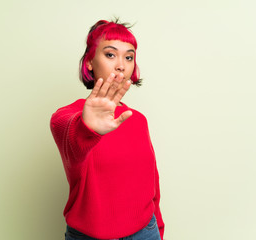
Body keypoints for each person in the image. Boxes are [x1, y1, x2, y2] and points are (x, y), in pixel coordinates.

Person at [50, 19, 165, 240]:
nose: (121, 65)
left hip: (145, 232)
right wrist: (87, 128)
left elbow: (152, 185)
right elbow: (70, 135)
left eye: (128, 57)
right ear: (90, 62)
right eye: (110, 54)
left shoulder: (138, 120)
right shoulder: (66, 117)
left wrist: (158, 230)